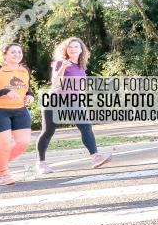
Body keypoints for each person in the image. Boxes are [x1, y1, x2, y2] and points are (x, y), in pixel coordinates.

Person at [35, 37, 111, 173]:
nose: (73, 49)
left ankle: (95, 157)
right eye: (70, 47)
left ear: (81, 50)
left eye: (76, 47)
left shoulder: (81, 66)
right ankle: (41, 163)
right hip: (55, 101)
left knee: (86, 127)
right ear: (65, 50)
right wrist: (63, 67)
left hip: (73, 101)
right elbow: (55, 82)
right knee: (48, 132)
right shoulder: (60, 63)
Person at [0, 43, 36, 185]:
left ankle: (0, 162)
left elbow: (26, 89)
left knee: (23, 143)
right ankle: (2, 174)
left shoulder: (25, 70)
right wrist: (5, 92)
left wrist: (30, 95)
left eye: (19, 51)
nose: (17, 54)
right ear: (5, 55)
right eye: (13, 52)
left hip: (20, 110)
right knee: (5, 144)